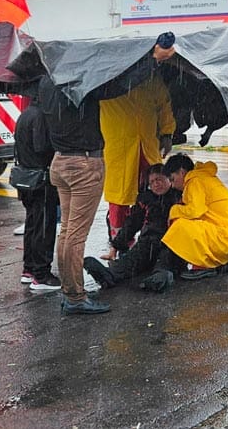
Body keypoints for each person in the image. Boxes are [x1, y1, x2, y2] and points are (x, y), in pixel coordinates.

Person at [39, 41, 177, 316]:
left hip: (61, 161)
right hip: (84, 163)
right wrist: (154, 59)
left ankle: (71, 291)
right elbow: (116, 87)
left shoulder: (46, 84)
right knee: (75, 235)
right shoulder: (83, 85)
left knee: (67, 233)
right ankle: (76, 297)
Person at [100, 72, 176, 260]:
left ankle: (153, 238)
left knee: (156, 195)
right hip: (119, 149)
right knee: (119, 200)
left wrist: (167, 134)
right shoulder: (106, 76)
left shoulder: (150, 77)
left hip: (147, 148)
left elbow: (164, 104)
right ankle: (118, 245)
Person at [83, 164, 182, 289]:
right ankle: (109, 276)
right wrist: (116, 246)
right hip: (148, 243)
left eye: (159, 179)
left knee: (165, 262)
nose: (156, 184)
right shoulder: (145, 200)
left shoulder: (179, 197)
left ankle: (161, 277)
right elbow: (131, 223)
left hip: (172, 244)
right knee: (130, 261)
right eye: (152, 182)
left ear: (169, 179)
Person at [158, 153, 228, 281]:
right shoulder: (205, 177)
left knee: (179, 224)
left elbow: (195, 211)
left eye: (173, 179)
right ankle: (219, 262)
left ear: (182, 172)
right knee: (194, 222)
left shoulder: (194, 181)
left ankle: (202, 266)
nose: (173, 185)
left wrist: (174, 210)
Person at [14, 98, 60, 291]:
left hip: (26, 178)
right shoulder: (41, 116)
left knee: (33, 224)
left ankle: (29, 269)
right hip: (41, 179)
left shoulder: (25, 115)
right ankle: (41, 275)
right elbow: (41, 147)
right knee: (43, 226)